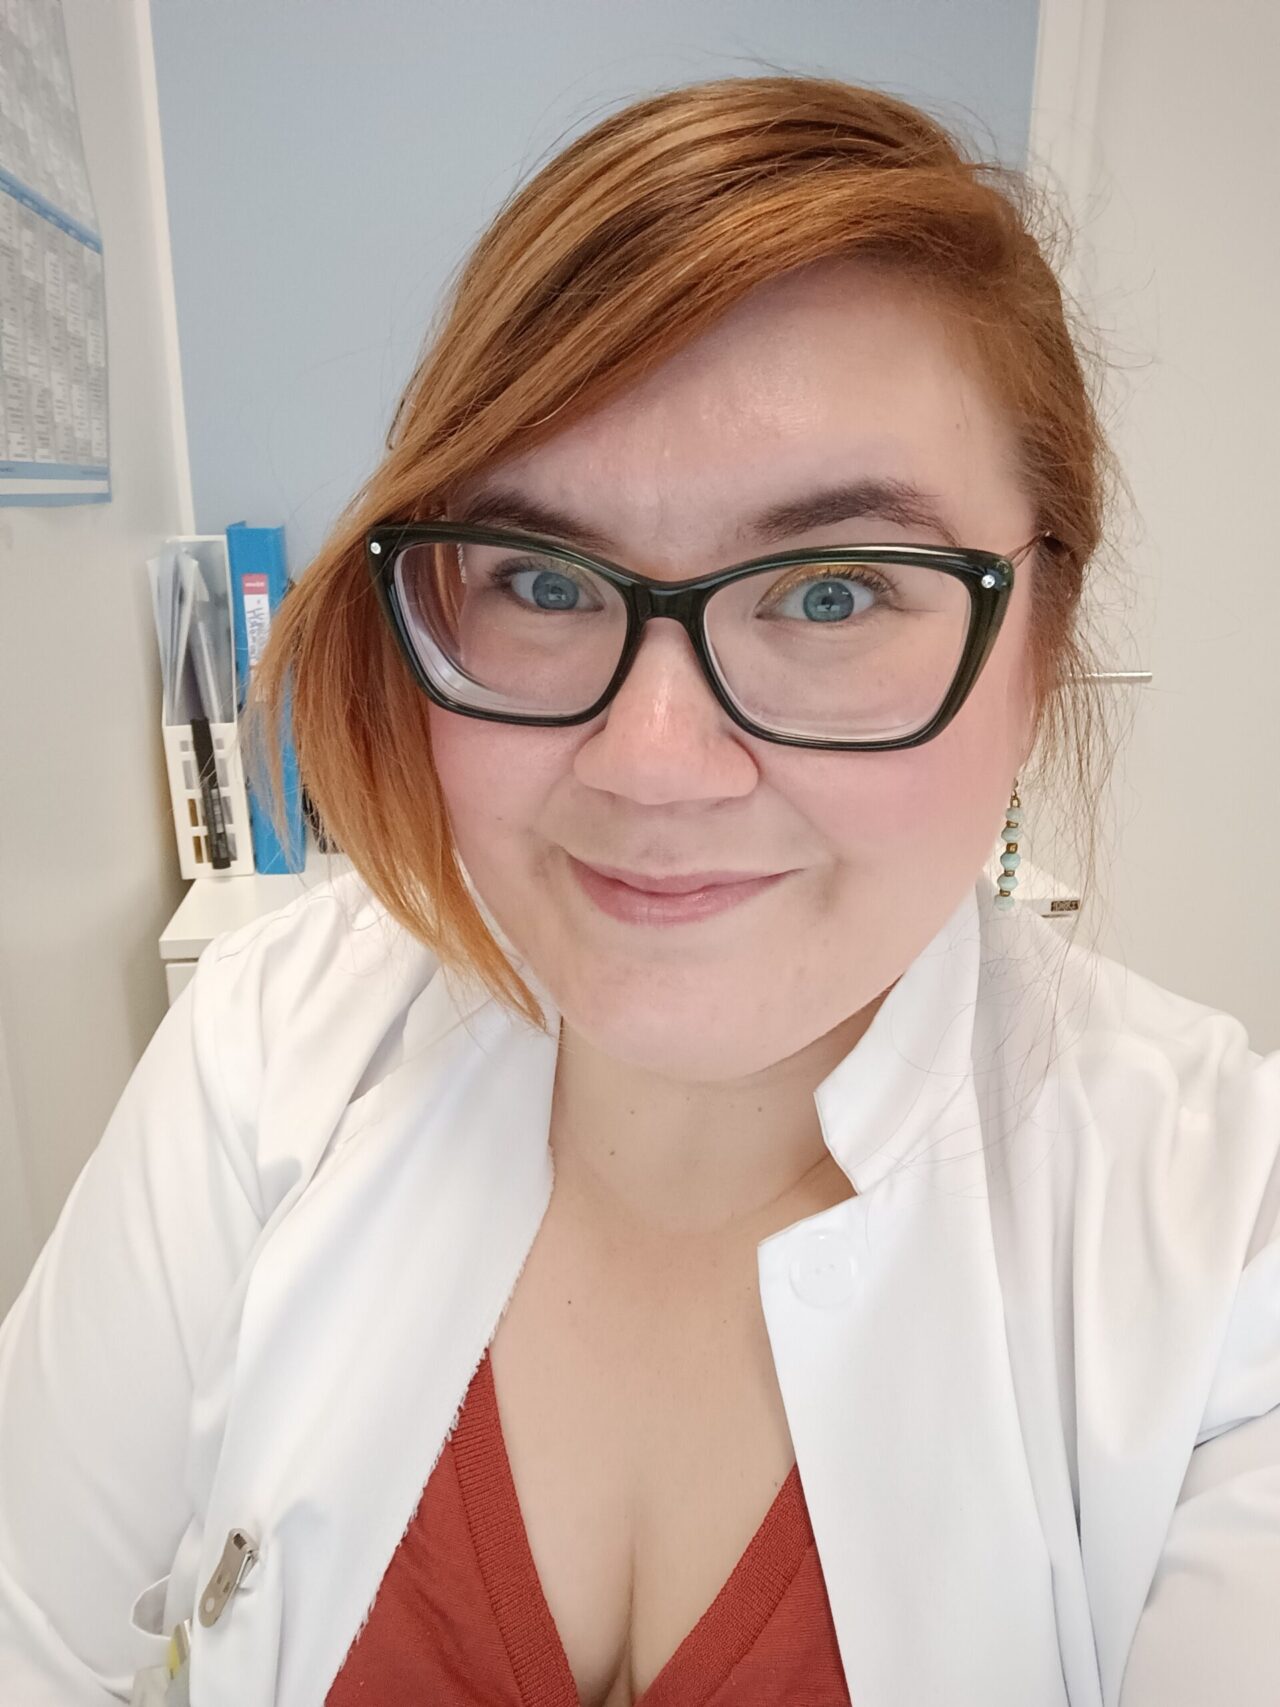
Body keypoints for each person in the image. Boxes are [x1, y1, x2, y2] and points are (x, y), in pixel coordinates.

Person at [1, 73, 1277, 1707]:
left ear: (1039, 647)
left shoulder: (1225, 1253)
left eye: (832, 591)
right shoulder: (264, 1059)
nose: (654, 761)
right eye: (544, 579)